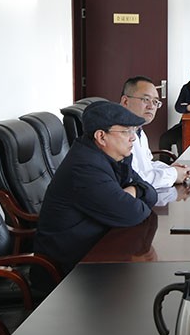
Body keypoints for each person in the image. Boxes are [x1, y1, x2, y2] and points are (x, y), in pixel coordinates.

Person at [34, 101, 156, 279]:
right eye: (126, 131)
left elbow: (151, 193)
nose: (133, 138)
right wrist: (134, 194)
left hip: (95, 251)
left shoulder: (112, 156)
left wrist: (132, 191)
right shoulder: (84, 168)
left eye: (133, 131)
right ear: (101, 136)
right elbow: (133, 213)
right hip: (68, 271)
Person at [120, 76, 190, 187]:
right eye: (146, 99)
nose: (151, 106)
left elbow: (147, 165)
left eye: (155, 102)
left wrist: (171, 168)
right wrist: (174, 174)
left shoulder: (138, 129)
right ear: (125, 101)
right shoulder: (117, 132)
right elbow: (135, 179)